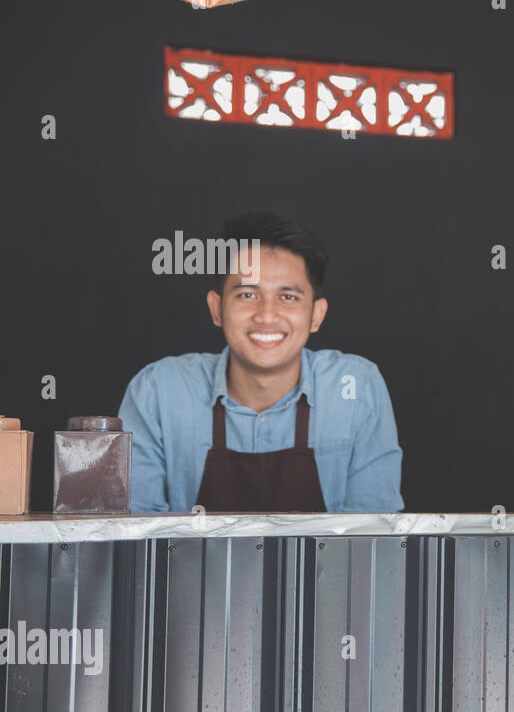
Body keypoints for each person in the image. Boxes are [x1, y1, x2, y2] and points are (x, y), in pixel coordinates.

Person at [118, 211, 404, 513]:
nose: (267, 315)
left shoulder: (357, 387)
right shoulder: (159, 390)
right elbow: (136, 537)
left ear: (316, 315)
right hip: (188, 564)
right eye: (247, 294)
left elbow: (374, 537)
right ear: (216, 308)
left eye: (288, 297)